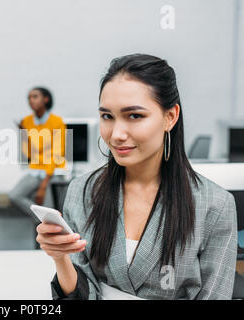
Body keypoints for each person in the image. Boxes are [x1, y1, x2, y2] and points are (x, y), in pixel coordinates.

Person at [37, 54, 238, 299]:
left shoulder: (214, 205)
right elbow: (80, 293)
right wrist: (61, 259)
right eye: (107, 116)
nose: (117, 134)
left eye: (134, 116)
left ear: (170, 117)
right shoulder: (82, 191)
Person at [8, 87, 66, 222]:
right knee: (14, 195)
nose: (31, 100)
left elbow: (56, 154)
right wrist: (23, 136)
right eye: (29, 98)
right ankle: (45, 220)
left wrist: (44, 185)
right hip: (35, 170)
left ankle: (48, 221)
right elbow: (28, 155)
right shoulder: (26, 121)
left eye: (35, 96)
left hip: (52, 172)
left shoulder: (57, 122)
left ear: (46, 99)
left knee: (49, 206)